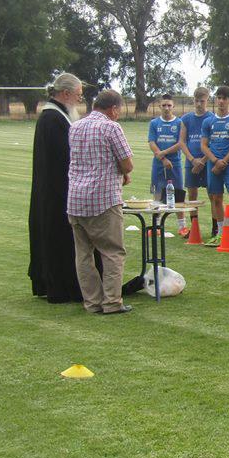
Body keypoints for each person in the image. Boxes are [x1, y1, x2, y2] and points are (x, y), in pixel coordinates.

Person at [67, 89, 134, 314]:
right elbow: (127, 164)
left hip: (75, 199)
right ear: (113, 109)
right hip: (103, 199)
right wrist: (123, 173)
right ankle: (112, 302)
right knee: (112, 251)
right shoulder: (111, 127)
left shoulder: (75, 126)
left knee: (83, 254)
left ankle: (92, 302)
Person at [29, 72, 85, 303]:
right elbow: (63, 159)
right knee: (59, 238)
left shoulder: (55, 116)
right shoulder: (53, 119)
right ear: (66, 94)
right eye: (79, 95)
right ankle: (61, 285)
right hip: (57, 192)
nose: (80, 100)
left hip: (54, 189)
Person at [200, 86, 229, 245]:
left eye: (224, 98)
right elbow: (204, 146)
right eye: (218, 98)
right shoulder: (208, 121)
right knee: (216, 198)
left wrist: (223, 162)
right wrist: (215, 161)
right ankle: (220, 232)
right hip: (213, 163)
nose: (221, 101)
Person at [147, 93, 185, 234]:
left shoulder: (179, 123)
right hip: (158, 164)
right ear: (159, 106)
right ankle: (155, 225)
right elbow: (152, 142)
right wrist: (162, 158)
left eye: (169, 105)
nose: (166, 108)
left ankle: (182, 226)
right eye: (164, 105)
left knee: (178, 193)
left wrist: (164, 153)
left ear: (173, 106)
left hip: (175, 163)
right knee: (157, 193)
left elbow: (180, 143)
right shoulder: (154, 123)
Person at [179, 86, 211, 237]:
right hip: (191, 162)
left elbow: (213, 142)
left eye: (202, 101)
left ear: (207, 101)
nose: (199, 104)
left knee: (214, 195)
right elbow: (182, 142)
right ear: (193, 100)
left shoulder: (211, 118)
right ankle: (194, 228)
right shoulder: (186, 118)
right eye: (197, 101)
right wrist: (192, 160)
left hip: (208, 161)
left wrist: (203, 160)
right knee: (192, 197)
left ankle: (216, 229)